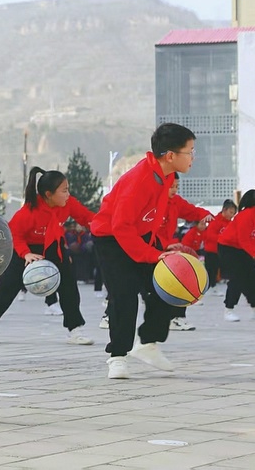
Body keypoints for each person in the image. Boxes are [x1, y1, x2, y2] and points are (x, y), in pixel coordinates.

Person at [91, 123, 199, 380]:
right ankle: (117, 357)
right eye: (190, 152)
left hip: (139, 238)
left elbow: (153, 219)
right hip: (111, 239)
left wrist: (161, 246)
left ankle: (148, 343)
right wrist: (151, 255)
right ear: (170, 155)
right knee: (124, 296)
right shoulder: (140, 180)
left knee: (168, 288)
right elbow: (121, 226)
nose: (193, 157)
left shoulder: (166, 177)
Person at [0, 166, 95, 346]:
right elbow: (14, 234)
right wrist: (26, 253)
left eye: (68, 189)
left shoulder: (68, 203)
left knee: (69, 287)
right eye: (64, 190)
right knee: (6, 288)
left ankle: (75, 330)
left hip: (53, 246)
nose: (68, 194)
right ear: (48, 194)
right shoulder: (28, 212)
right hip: (26, 250)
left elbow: (88, 217)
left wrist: (107, 227)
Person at [159, 175, 212, 331]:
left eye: (177, 186)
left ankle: (176, 318)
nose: (175, 189)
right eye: (171, 186)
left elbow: (192, 211)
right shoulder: (152, 202)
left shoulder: (176, 202)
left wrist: (204, 214)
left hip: (169, 249)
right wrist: (165, 244)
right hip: (150, 248)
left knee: (180, 279)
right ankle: (110, 313)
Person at [217, 186, 255, 322]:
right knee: (237, 277)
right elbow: (243, 239)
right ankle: (228, 310)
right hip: (228, 247)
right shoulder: (247, 215)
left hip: (241, 248)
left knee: (253, 276)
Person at [201, 200, 237, 294]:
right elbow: (210, 235)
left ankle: (213, 286)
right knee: (211, 270)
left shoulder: (230, 223)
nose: (232, 215)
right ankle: (209, 287)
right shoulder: (215, 221)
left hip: (222, 251)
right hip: (211, 250)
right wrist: (223, 238)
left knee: (218, 269)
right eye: (230, 212)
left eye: (233, 213)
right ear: (224, 210)